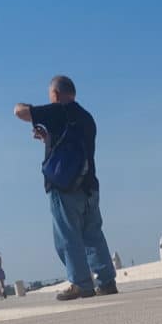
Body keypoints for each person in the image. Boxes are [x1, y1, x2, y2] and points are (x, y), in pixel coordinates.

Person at [13, 75, 117, 301]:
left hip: (64, 186)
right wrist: (47, 139)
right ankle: (106, 281)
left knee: (67, 237)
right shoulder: (87, 117)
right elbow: (74, 146)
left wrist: (22, 107)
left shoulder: (57, 111)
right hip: (90, 185)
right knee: (93, 234)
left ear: (56, 94)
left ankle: (81, 283)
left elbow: (20, 112)